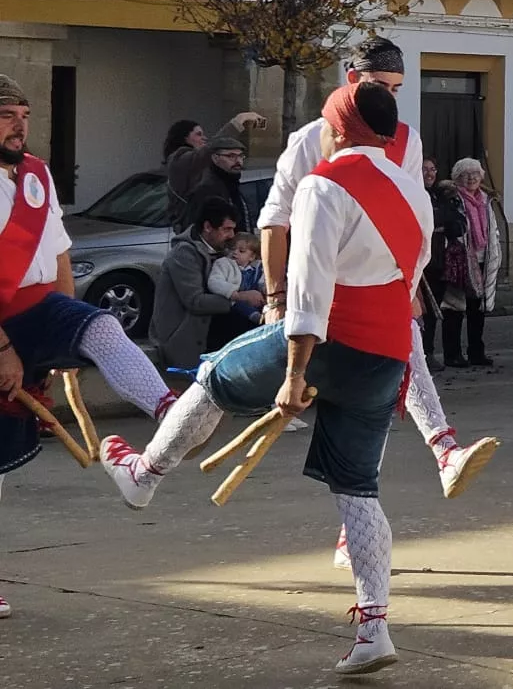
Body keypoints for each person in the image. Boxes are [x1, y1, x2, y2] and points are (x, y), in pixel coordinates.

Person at [102, 81, 429, 675]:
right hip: (386, 351)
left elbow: (307, 292)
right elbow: (411, 276)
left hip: (329, 336)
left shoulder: (324, 185)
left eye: (325, 122)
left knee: (214, 376)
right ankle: (374, 626)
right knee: (358, 487)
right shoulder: (414, 190)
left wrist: (296, 373)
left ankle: (144, 474)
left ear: (338, 128)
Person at [256, 37, 496, 507]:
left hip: (374, 279)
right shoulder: (308, 140)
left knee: (385, 387)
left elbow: (407, 215)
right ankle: (150, 462)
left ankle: (443, 450)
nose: (389, 95)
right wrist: (274, 297)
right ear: (352, 81)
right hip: (316, 284)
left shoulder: (405, 139)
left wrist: (407, 285)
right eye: (380, 85)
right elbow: (274, 222)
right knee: (225, 383)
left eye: (397, 87)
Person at [2, 75, 183, 594]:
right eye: (7, 115)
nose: (20, 126)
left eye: (25, 115)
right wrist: (4, 350)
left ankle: (172, 414)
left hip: (38, 308)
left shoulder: (37, 175)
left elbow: (58, 252)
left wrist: (67, 330)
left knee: (101, 326)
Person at [151, 198, 251, 367]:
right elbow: (195, 301)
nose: (231, 236)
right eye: (226, 229)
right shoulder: (184, 254)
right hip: (184, 338)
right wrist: (240, 298)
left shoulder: (222, 251)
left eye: (233, 230)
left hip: (210, 328)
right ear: (207, 227)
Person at [440, 158, 502, 367]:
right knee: (455, 307)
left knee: (478, 309)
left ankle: (476, 352)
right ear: (457, 178)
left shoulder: (485, 199)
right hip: (461, 260)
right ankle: (452, 354)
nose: (471, 178)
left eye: (475, 173)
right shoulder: (453, 198)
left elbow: (491, 229)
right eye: (466, 174)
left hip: (483, 257)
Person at [163, 111, 264, 219]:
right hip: (194, 228)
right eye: (198, 134)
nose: (204, 138)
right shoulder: (180, 160)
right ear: (184, 137)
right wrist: (239, 121)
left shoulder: (197, 163)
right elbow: (213, 146)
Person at [419, 157, 465, 368]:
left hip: (439, 261)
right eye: (425, 169)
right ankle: (421, 353)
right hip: (421, 263)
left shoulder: (441, 196)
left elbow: (458, 225)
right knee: (423, 310)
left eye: (433, 169)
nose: (429, 173)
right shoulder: (415, 194)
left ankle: (428, 352)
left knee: (435, 310)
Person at [176, 126, 251, 233]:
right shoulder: (207, 189)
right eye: (231, 156)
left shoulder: (233, 185)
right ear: (215, 158)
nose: (238, 161)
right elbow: (197, 229)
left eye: (240, 156)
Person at [209, 232, 267, 327]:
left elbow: (263, 282)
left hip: (258, 303)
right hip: (234, 305)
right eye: (232, 249)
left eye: (241, 251)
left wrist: (265, 291)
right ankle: (258, 318)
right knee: (239, 306)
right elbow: (214, 282)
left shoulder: (258, 269)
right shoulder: (223, 264)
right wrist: (235, 294)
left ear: (252, 257)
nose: (235, 252)